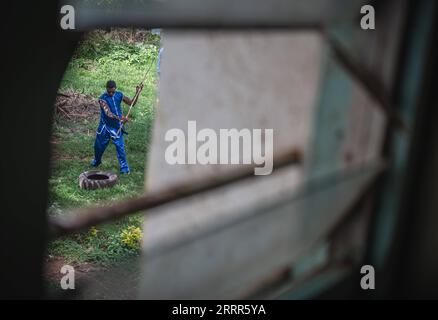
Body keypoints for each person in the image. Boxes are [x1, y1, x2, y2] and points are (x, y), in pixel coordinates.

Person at [91, 80, 143, 174]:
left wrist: (137, 93)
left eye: (112, 91)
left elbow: (132, 103)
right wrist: (120, 118)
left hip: (116, 127)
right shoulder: (102, 99)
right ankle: (97, 161)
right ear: (106, 89)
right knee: (98, 147)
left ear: (115, 89)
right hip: (105, 126)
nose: (111, 93)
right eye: (109, 91)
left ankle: (124, 168)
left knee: (120, 147)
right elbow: (108, 113)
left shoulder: (119, 95)